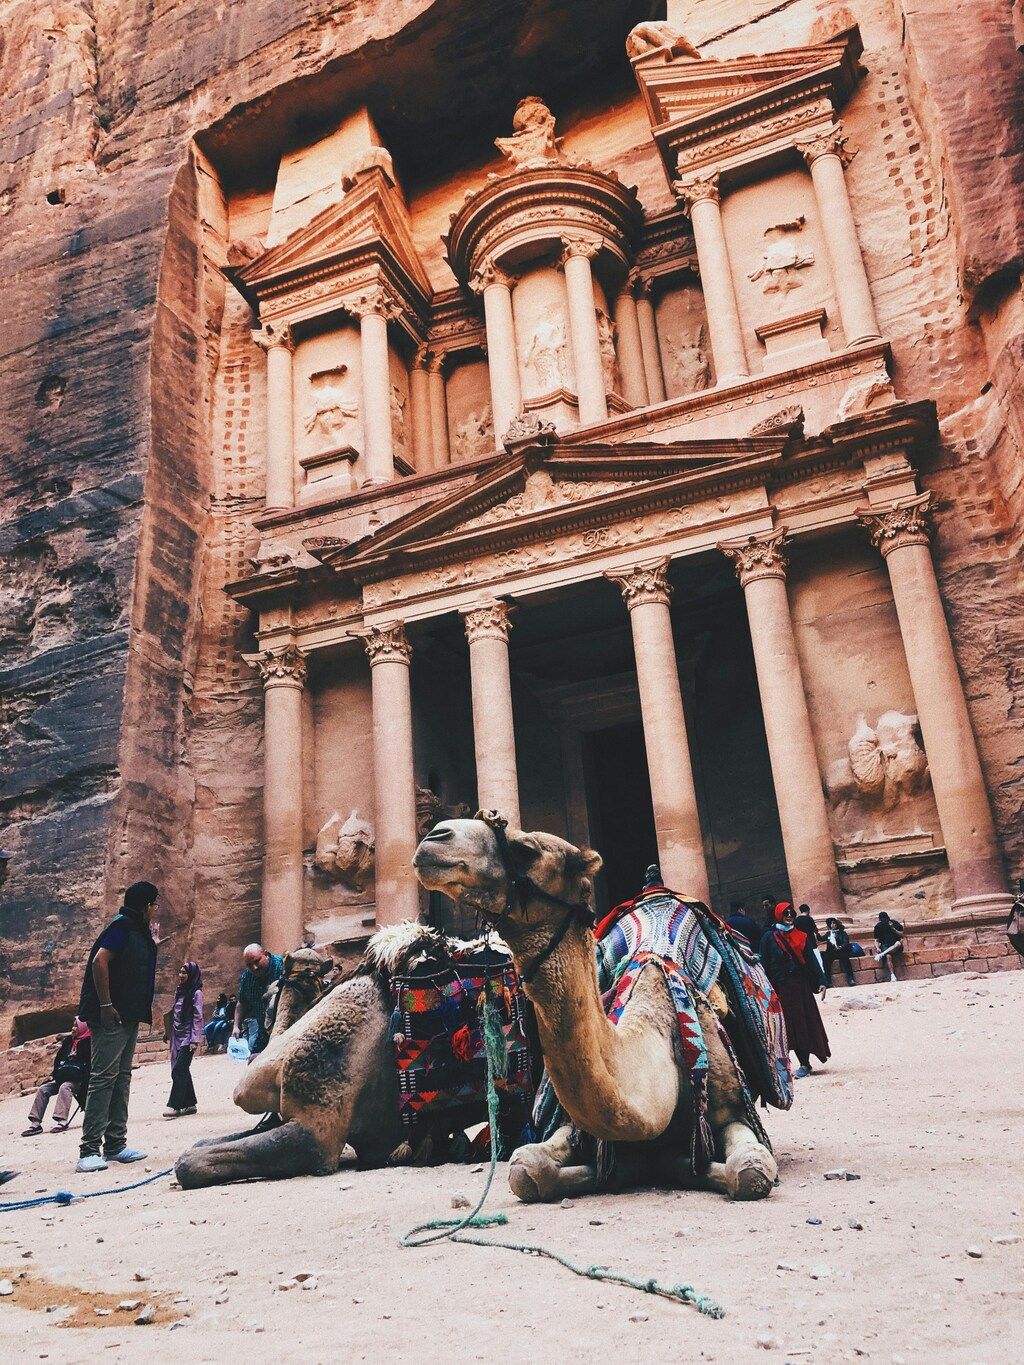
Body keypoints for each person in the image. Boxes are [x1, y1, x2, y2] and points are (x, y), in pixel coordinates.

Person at [76, 880, 160, 1172]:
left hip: (128, 1014)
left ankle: (115, 1144)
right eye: (154, 905)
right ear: (145, 906)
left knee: (122, 1077)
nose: (155, 910)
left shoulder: (136, 930)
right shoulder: (121, 927)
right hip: (111, 1014)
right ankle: (89, 1149)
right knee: (103, 1078)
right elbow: (100, 962)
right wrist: (105, 1005)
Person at [759, 901, 830, 1079]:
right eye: (786, 913)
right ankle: (781, 1066)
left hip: (800, 986)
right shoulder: (768, 938)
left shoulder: (801, 936)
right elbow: (764, 963)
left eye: (791, 913)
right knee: (781, 1026)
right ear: (778, 915)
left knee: (801, 1023)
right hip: (779, 988)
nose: (789, 916)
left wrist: (822, 980)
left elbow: (811, 961)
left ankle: (804, 1063)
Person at [22, 1018, 92, 1136]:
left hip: (78, 1079)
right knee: (43, 1089)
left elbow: (89, 1065)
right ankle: (35, 1123)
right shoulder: (68, 1041)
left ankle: (62, 1120)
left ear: (83, 1028)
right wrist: (56, 1074)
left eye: (76, 1026)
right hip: (62, 1076)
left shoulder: (88, 1043)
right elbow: (58, 1059)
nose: (73, 1029)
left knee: (65, 1087)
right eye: (72, 1026)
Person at [165, 961, 204, 1118]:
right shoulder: (179, 991)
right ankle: (190, 1104)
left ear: (192, 975)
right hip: (177, 1036)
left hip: (188, 1037)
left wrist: (195, 1039)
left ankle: (175, 1106)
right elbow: (174, 1013)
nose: (181, 975)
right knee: (182, 1069)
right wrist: (168, 1032)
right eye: (180, 972)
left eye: (185, 973)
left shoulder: (197, 993)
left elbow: (198, 1017)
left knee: (179, 1069)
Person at [233, 944, 284, 1054]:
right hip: (263, 1029)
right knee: (254, 1059)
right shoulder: (247, 976)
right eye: (249, 965)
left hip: (284, 1026)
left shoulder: (281, 966)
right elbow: (242, 1002)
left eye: (257, 961)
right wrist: (236, 1026)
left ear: (266, 954)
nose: (254, 968)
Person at [822, 917, 856, 987]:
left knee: (845, 959)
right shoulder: (828, 933)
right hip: (831, 952)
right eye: (831, 923)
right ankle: (828, 980)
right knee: (826, 960)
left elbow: (846, 942)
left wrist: (840, 947)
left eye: (834, 923)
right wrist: (816, 933)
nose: (832, 925)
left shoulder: (842, 932)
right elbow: (821, 938)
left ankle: (850, 978)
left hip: (841, 951)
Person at [874, 911, 905, 981]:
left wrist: (893, 929)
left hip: (895, 944)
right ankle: (892, 975)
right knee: (888, 956)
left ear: (888, 918)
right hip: (886, 945)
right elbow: (876, 940)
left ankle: (882, 954)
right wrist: (877, 947)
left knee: (898, 943)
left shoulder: (894, 923)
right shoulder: (878, 926)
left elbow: (902, 935)